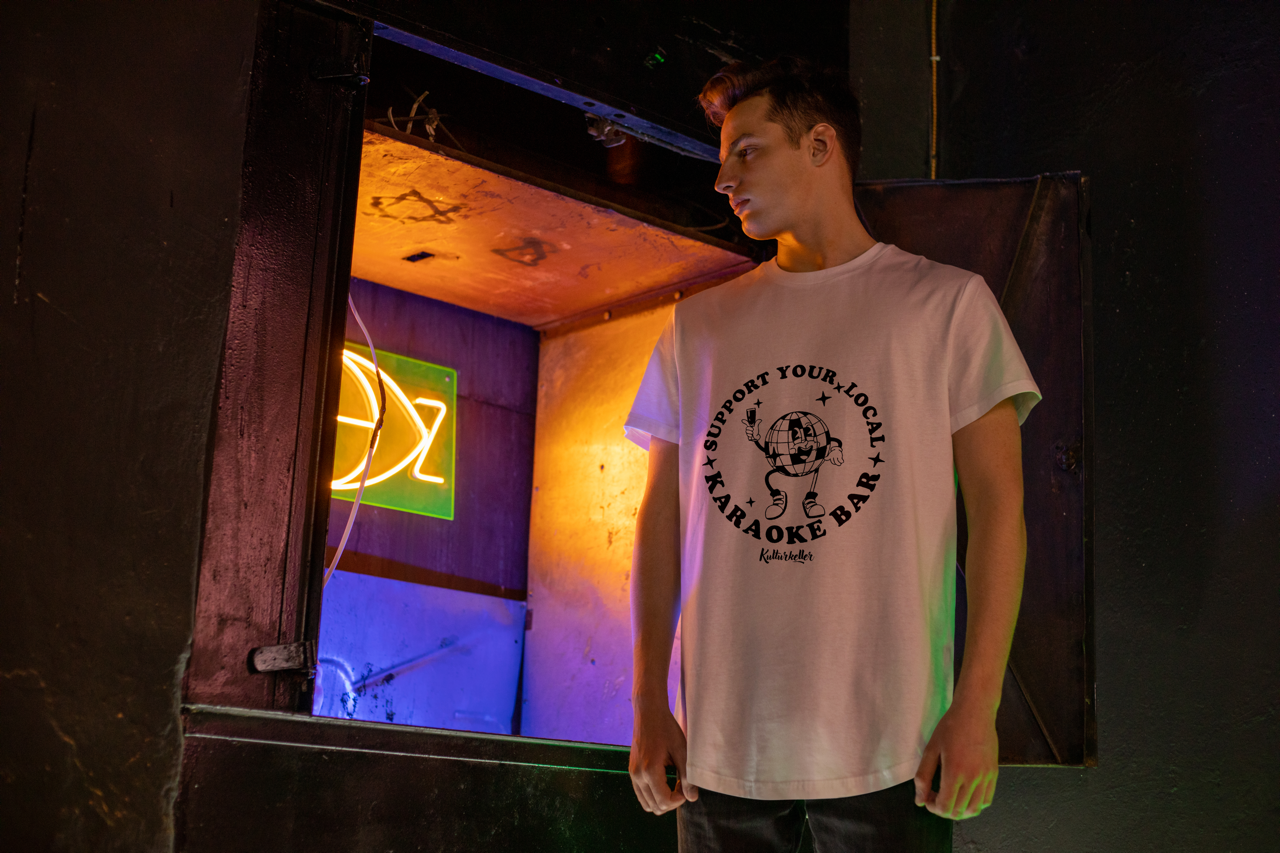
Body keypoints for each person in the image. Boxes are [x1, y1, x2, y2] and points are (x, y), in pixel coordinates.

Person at [623, 57, 1041, 852]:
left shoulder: (946, 304)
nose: (724, 180)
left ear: (821, 146)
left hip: (894, 756)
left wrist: (977, 706)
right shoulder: (696, 326)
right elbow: (659, 522)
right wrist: (646, 701)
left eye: (747, 152)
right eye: (723, 160)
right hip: (719, 759)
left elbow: (999, 510)